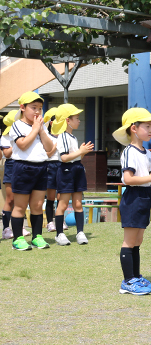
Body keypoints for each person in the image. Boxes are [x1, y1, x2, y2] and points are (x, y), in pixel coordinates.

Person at [112, 108, 151, 295]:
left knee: (138, 240)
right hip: (133, 197)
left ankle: (136, 277)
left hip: (145, 197)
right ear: (134, 128)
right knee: (129, 241)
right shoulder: (129, 151)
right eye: (147, 126)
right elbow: (127, 179)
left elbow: (147, 176)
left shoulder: (145, 151)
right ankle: (128, 282)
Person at [8, 92, 54, 250]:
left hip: (41, 167)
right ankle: (18, 239)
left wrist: (41, 130)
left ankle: (37, 236)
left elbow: (50, 148)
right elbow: (22, 145)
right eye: (33, 108)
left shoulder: (40, 127)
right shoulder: (17, 125)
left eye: (40, 108)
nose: (37, 112)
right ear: (22, 107)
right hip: (23, 167)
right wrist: (35, 129)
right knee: (20, 206)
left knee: (38, 204)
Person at [51, 104, 93, 246]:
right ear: (67, 120)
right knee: (62, 204)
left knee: (78, 203)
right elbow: (64, 157)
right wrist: (81, 151)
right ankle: (59, 234)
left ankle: (80, 232)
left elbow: (76, 157)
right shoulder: (62, 136)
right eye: (77, 118)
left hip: (77, 169)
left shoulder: (73, 137)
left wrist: (82, 152)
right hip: (66, 170)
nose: (79, 121)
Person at [1, 110, 31, 240]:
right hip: (12, 166)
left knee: (22, 198)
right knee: (10, 199)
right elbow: (7, 154)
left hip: (25, 164)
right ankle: (6, 228)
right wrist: (17, 141)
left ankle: (20, 227)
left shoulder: (28, 132)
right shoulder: (5, 137)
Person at [43, 107, 65, 233]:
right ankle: (50, 222)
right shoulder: (47, 137)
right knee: (50, 197)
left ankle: (60, 220)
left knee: (61, 196)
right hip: (51, 166)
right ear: (52, 122)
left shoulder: (64, 136)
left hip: (62, 166)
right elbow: (48, 154)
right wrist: (56, 145)